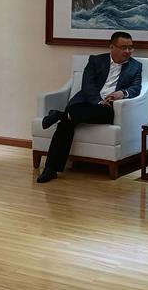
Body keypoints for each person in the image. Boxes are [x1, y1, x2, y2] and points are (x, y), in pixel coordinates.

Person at [37, 31, 142, 183]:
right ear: (112, 47)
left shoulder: (135, 66)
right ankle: (50, 170)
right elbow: (87, 85)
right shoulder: (96, 61)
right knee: (67, 123)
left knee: (73, 117)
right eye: (123, 47)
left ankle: (59, 115)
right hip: (87, 102)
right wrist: (98, 101)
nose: (128, 51)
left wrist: (123, 93)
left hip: (107, 109)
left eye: (130, 48)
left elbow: (136, 88)